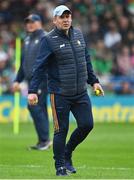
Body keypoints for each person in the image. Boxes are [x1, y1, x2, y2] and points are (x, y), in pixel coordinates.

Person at [28, 6, 104, 176]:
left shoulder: (78, 34)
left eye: (68, 16)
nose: (66, 20)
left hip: (80, 92)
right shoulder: (48, 40)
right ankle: (60, 166)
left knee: (87, 125)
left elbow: (86, 59)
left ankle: (67, 153)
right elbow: (39, 67)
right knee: (61, 130)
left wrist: (94, 81)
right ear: (54, 20)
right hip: (60, 93)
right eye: (62, 17)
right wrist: (32, 90)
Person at [13, 14, 52, 150]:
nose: (29, 24)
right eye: (27, 22)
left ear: (39, 23)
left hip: (42, 79)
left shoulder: (45, 38)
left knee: (34, 106)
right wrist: (17, 80)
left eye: (32, 22)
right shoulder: (28, 39)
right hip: (31, 81)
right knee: (39, 108)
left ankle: (45, 140)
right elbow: (24, 63)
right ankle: (43, 141)